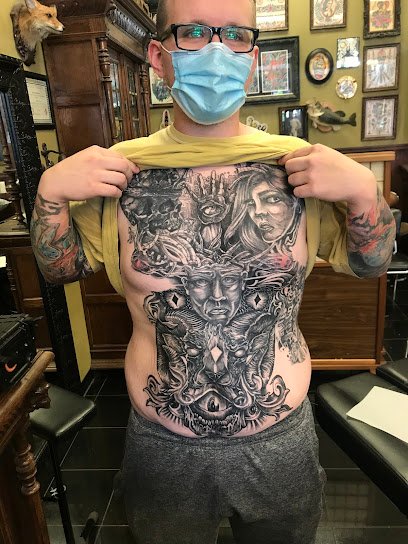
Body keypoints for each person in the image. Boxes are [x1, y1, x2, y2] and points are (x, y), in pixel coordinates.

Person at [30, 1, 395, 542]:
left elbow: (371, 263)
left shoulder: (298, 167)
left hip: (280, 443)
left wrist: (365, 192)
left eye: (236, 36)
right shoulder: (120, 173)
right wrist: (49, 196)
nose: (218, 50)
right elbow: (60, 269)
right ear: (159, 57)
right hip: (164, 448)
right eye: (196, 32)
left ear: (253, 59)